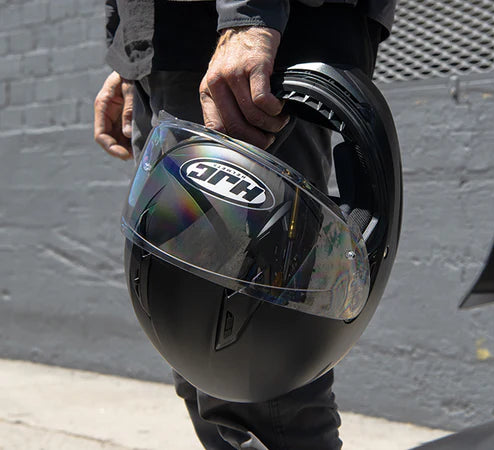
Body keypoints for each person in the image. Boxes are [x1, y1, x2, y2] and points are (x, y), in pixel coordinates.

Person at [93, 1, 396, 449]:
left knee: (250, 359)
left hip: (250, 48)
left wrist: (249, 18)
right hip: (170, 50)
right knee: (191, 341)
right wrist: (130, 49)